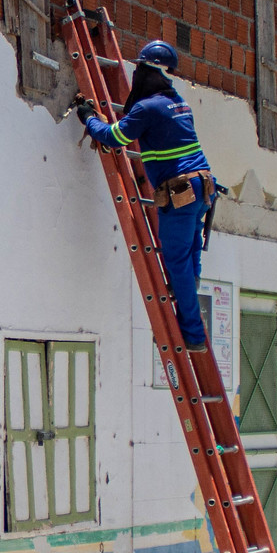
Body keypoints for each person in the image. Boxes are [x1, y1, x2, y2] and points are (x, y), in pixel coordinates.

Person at [77, 40, 216, 363]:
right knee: (190, 256)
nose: (135, 74)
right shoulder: (177, 102)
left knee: (176, 261)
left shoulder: (147, 108)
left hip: (180, 192)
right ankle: (189, 305)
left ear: (150, 72)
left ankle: (193, 334)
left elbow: (115, 138)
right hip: (202, 186)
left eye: (140, 69)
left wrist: (89, 118)